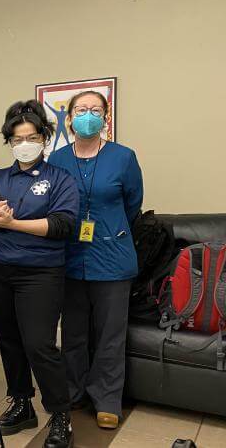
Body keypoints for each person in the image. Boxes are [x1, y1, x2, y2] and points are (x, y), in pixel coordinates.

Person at [0, 100, 78, 448]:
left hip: (41, 274)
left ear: (44, 138)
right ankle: (21, 403)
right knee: (9, 341)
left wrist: (11, 223)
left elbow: (62, 226)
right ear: (10, 142)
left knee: (39, 344)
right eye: (17, 139)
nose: (24, 144)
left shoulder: (60, 179)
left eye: (31, 137)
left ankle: (60, 414)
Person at [48, 90, 143, 430]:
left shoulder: (124, 157)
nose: (88, 115)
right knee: (73, 332)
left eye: (95, 110)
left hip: (113, 257)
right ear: (69, 118)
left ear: (106, 118)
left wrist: (110, 229)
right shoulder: (57, 160)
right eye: (81, 109)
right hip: (70, 258)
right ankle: (74, 392)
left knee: (109, 335)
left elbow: (133, 204)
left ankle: (107, 400)